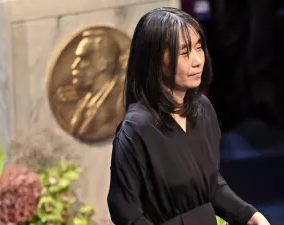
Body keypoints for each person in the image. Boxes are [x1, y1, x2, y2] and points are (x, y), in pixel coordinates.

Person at [107, 7, 270, 225]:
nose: (197, 60)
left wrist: (249, 215)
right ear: (156, 60)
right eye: (184, 52)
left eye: (199, 48)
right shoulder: (137, 127)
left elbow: (209, 185)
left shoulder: (202, 109)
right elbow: (124, 209)